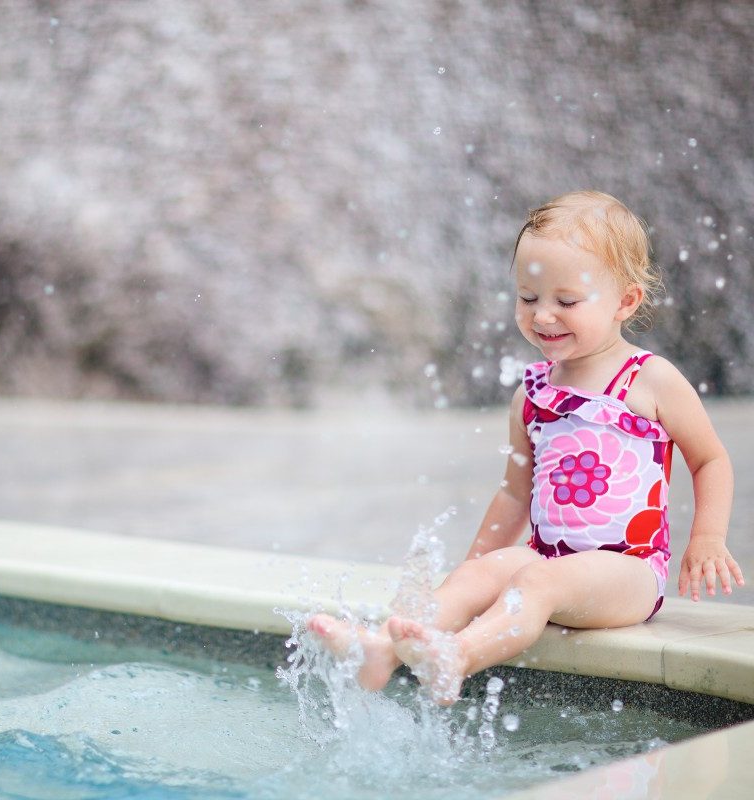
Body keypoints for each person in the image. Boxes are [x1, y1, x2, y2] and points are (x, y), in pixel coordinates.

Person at [308, 190, 745, 705]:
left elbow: (709, 458)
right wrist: (476, 574)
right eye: (527, 297)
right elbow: (515, 495)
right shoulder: (532, 395)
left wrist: (708, 539)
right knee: (485, 572)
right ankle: (381, 650)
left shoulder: (649, 380)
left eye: (566, 301)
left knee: (538, 582)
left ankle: (460, 657)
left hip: (627, 571)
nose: (542, 316)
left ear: (625, 302)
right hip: (548, 557)